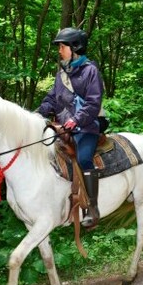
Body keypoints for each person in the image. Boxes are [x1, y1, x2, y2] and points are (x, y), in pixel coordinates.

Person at [37, 27, 104, 228]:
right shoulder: (61, 74)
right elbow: (51, 99)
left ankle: (93, 208)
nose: (59, 50)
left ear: (75, 48)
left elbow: (94, 102)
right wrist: (38, 112)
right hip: (63, 130)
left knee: (84, 158)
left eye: (62, 46)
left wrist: (76, 119)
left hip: (87, 127)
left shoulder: (90, 71)